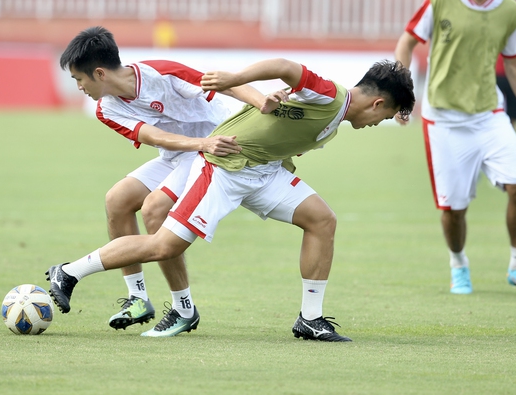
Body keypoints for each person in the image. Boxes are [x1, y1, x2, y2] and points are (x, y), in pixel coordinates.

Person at [46, 58, 415, 341]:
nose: (377, 123)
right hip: (224, 168)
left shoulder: (335, 109)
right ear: (379, 104)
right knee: (163, 245)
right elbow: (286, 67)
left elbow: (281, 106)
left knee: (322, 220)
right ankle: (70, 272)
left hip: (264, 172)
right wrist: (235, 80)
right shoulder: (333, 96)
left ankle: (310, 320)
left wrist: (266, 101)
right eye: (384, 117)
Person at [58, 26, 279, 336]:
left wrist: (260, 102)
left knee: (154, 209)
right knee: (117, 200)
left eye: (79, 79)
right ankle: (138, 299)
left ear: (99, 73)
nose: (79, 87)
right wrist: (198, 144)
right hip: (183, 151)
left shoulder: (160, 74)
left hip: (215, 145)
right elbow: (157, 137)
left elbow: (225, 84)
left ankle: (183, 308)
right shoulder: (106, 109)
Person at [394, 0, 516, 297]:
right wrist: (402, 95)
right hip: (443, 121)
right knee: (454, 210)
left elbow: (514, 64)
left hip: (489, 116)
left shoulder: (510, 10)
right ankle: (459, 264)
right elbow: (407, 41)